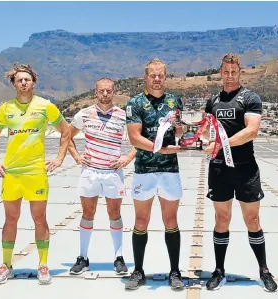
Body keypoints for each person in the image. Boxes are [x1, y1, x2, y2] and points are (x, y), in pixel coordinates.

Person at [0, 63, 71, 285]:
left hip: (36, 172)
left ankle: (43, 265)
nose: (23, 82)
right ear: (14, 84)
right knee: (10, 219)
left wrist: (60, 158)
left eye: (27, 79)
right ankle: (6, 265)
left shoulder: (45, 106)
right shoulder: (5, 108)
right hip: (12, 173)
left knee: (39, 218)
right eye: (19, 80)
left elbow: (66, 131)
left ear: (33, 82)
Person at [202, 54, 277, 292]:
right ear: (220, 72)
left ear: (240, 72)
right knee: (221, 220)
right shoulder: (212, 100)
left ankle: (264, 270)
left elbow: (252, 131)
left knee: (252, 220)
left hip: (245, 169)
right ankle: (219, 270)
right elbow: (206, 131)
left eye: (234, 72)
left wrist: (222, 144)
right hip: (219, 169)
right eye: (226, 72)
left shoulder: (250, 98)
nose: (230, 76)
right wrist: (204, 140)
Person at [125, 58, 185, 291]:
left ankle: (175, 272)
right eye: (153, 75)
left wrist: (181, 128)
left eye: (161, 75)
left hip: (169, 170)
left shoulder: (174, 100)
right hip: (145, 170)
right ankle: (138, 271)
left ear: (166, 77)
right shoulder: (135, 103)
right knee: (141, 221)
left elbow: (178, 130)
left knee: (171, 221)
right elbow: (134, 137)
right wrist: (160, 148)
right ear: (145, 77)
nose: (157, 78)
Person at [67, 77, 137, 276]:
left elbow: (138, 140)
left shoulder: (123, 116)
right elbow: (67, 136)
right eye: (101, 91)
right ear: (95, 92)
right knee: (87, 214)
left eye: (108, 91)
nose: (105, 94)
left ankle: (119, 257)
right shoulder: (85, 114)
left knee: (114, 215)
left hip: (113, 173)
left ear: (114, 92)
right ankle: (83, 257)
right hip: (90, 172)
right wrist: (77, 157)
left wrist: (127, 158)